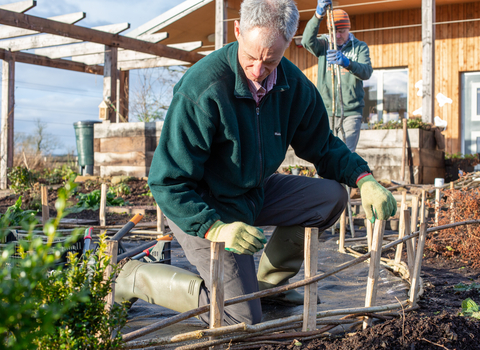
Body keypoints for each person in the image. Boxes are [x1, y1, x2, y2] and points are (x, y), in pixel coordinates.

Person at [115, 0, 396, 326]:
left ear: (288, 43)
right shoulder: (203, 89)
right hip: (204, 204)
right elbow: (168, 181)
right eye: (250, 57)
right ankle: (131, 276)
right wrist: (216, 228)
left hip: (252, 192)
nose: (258, 72)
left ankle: (269, 286)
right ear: (237, 31)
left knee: (330, 197)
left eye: (271, 60)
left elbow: (324, 146)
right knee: (239, 319)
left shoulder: (293, 86)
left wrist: (364, 179)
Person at [301, 0, 373, 152]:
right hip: (326, 111)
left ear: (348, 29)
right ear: (329, 31)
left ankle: (343, 177)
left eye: (342, 31)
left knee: (346, 153)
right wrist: (318, 15)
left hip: (351, 112)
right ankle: (326, 177)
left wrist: (348, 63)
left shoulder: (360, 47)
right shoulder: (324, 46)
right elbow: (306, 41)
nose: (338, 35)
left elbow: (366, 72)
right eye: (335, 31)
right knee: (324, 152)